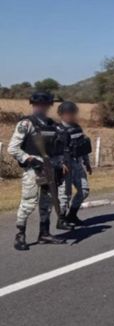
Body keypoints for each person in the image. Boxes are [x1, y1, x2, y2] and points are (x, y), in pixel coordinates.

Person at [8, 91, 67, 251]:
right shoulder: (26, 124)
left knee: (47, 202)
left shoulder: (53, 124)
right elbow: (13, 148)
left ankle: (44, 233)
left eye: (43, 104)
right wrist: (31, 160)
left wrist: (60, 165)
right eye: (36, 104)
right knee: (28, 203)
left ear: (49, 106)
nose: (40, 107)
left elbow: (57, 148)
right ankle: (20, 235)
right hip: (33, 170)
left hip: (50, 169)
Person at [57, 101, 92, 228]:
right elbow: (54, 151)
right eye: (67, 113)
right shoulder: (57, 130)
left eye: (72, 113)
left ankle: (72, 215)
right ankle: (61, 219)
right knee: (65, 194)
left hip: (77, 164)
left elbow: (83, 147)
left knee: (84, 191)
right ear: (61, 114)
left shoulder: (77, 128)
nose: (70, 115)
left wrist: (87, 163)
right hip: (65, 166)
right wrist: (60, 164)